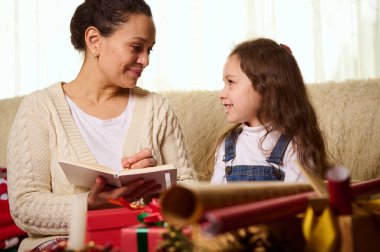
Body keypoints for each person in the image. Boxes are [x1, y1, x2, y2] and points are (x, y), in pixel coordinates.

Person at [7, 0, 196, 250]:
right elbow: (24, 207)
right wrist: (88, 204)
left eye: (150, 50)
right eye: (137, 47)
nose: (145, 60)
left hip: (143, 241)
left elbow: (192, 192)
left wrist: (157, 191)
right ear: (94, 40)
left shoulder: (157, 108)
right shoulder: (40, 109)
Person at [210, 38, 331, 184]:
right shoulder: (227, 145)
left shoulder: (294, 147)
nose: (221, 94)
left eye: (231, 82)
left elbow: (299, 202)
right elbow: (216, 199)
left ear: (266, 88)